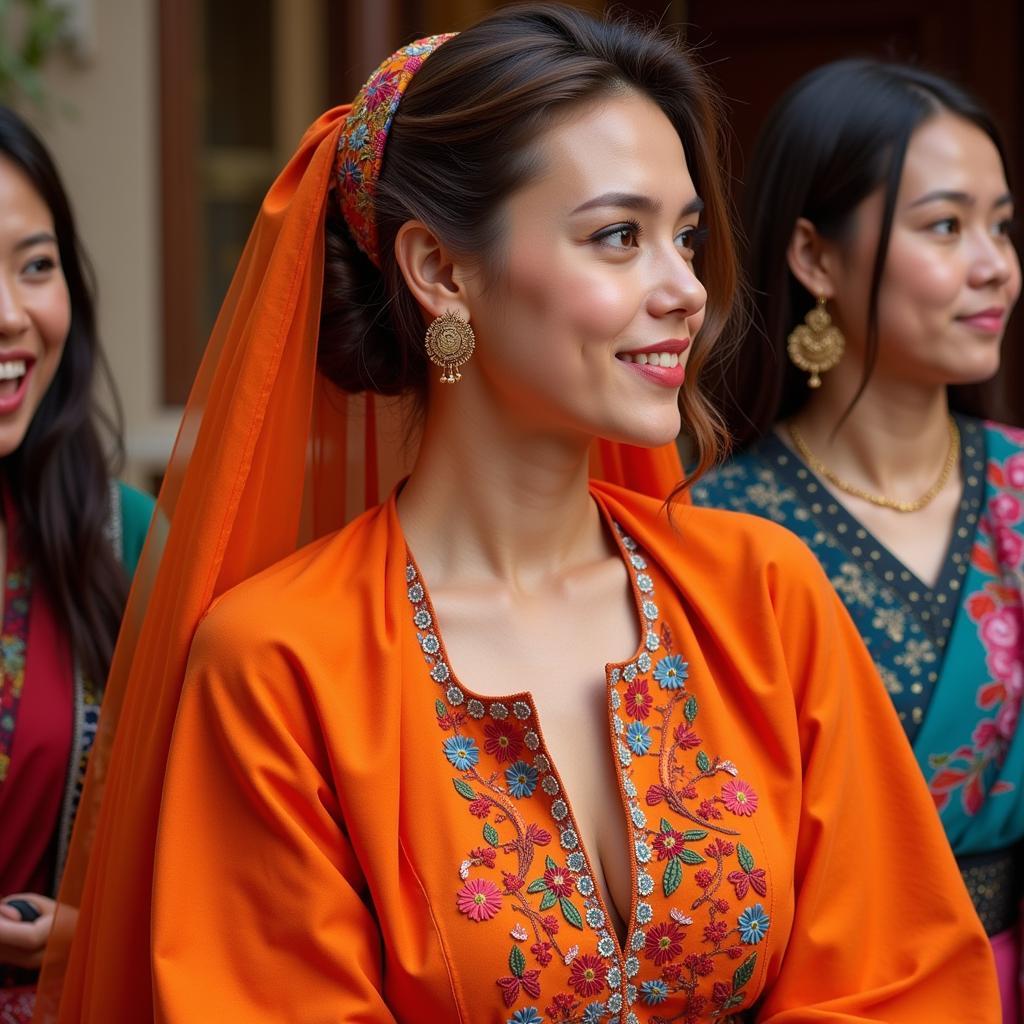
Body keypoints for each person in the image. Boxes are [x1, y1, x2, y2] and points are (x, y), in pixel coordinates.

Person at [39, 8, 998, 1023]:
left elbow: (905, 977)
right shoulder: (277, 663)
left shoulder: (764, 592)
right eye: (617, 237)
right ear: (442, 271)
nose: (685, 290)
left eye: (685, 238)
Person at [691, 60, 1023, 1021]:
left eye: (1002, 225)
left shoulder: (1015, 488)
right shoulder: (717, 530)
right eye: (946, 225)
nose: (995, 262)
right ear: (815, 257)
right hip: (825, 993)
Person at [0, 107, 153, 1022]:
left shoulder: (118, 537)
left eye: (35, 265)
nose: (12, 316)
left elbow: (216, 853)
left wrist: (93, 930)